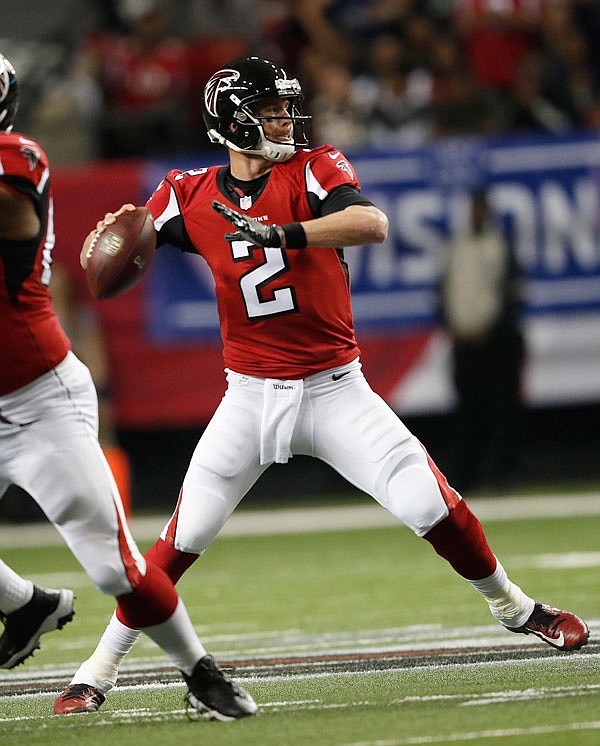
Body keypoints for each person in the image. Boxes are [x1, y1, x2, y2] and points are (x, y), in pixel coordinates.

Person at [54, 55, 589, 714]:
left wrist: (286, 233)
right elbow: (130, 240)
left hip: (336, 389)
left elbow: (372, 223)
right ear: (231, 121)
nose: (285, 120)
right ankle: (97, 670)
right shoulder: (186, 192)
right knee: (177, 542)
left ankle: (516, 608)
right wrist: (107, 243)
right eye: (270, 111)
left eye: (285, 109)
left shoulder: (315, 167)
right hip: (248, 397)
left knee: (432, 505)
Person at [0, 53, 256, 721]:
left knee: (117, 570)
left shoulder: (19, 160)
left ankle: (200, 670)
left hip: (36, 400)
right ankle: (26, 605)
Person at [440, 188, 526, 493]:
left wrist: (494, 327)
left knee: (502, 410)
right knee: (467, 413)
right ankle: (467, 476)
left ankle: (504, 473)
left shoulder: (499, 247)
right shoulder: (457, 248)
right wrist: (453, 327)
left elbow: (512, 294)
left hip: (496, 343)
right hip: (465, 345)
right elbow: (443, 292)